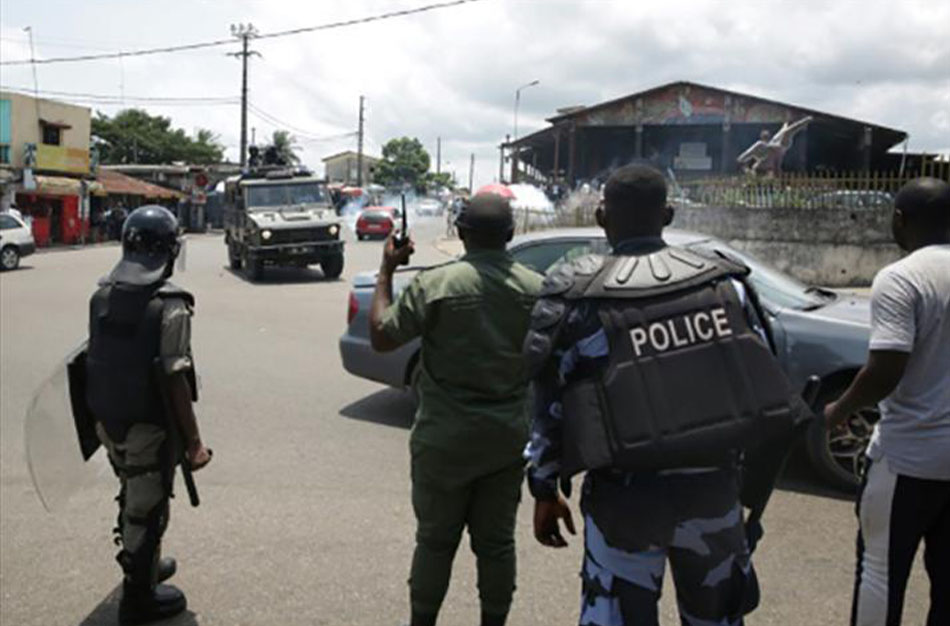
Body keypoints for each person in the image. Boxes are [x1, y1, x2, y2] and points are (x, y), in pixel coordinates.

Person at [524, 164, 799, 626]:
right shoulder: (723, 284)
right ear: (668, 215)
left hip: (623, 503)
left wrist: (545, 487)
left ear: (600, 217)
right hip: (714, 493)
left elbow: (550, 403)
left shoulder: (579, 296)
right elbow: (765, 388)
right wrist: (746, 495)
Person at [369, 188, 543, 626]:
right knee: (498, 545)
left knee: (434, 542)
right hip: (506, 440)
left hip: (443, 440)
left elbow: (381, 336)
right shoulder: (537, 290)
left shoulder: (436, 284)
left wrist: (387, 270)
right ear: (511, 233)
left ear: (461, 233)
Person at [824, 177, 949, 626]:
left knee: (880, 574)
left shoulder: (902, 278)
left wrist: (839, 410)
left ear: (900, 220)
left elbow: (885, 371)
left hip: (907, 459)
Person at [85, 205, 212, 625]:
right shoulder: (171, 307)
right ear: (169, 252)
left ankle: (145, 563)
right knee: (149, 507)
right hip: (148, 428)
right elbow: (175, 379)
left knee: (133, 494)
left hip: (109, 423)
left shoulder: (101, 295)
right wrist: (193, 443)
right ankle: (137, 599)